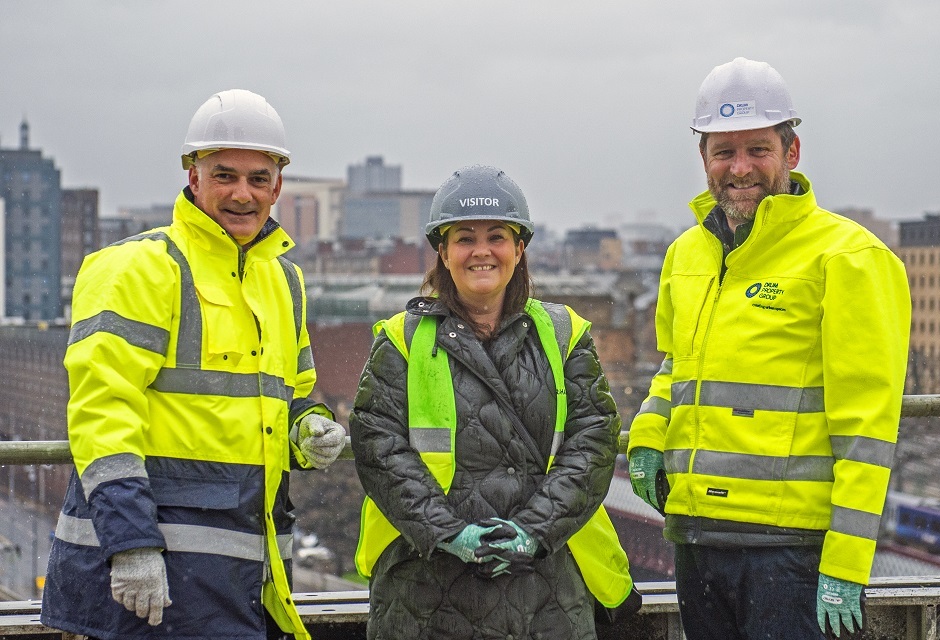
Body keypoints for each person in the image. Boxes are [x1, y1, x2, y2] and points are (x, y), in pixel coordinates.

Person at [41, 89, 347, 640]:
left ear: (277, 187)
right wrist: (131, 545)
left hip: (247, 581)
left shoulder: (285, 282)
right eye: (224, 175)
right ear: (193, 177)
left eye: (258, 179)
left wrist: (308, 429)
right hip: (151, 582)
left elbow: (290, 396)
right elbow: (103, 415)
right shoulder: (140, 267)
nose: (242, 193)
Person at [627, 57, 911, 640]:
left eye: (758, 149)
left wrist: (847, 564)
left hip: (789, 553)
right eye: (724, 152)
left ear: (792, 152)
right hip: (696, 536)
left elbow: (867, 423)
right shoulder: (687, 254)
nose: (740, 168)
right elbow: (676, 368)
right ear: (703, 158)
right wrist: (649, 437)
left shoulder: (848, 257)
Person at [351, 165, 641, 639]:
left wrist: (534, 531)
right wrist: (449, 533)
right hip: (425, 589)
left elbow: (593, 442)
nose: (481, 251)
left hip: (546, 591)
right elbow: (378, 448)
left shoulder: (564, 334)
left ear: (519, 249)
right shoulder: (401, 341)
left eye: (497, 237)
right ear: (443, 252)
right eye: (464, 238)